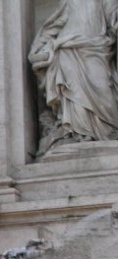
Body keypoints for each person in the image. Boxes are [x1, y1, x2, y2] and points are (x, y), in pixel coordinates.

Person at [29, 0, 118, 155]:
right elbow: (51, 28)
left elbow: (114, 18)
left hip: (97, 49)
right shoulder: (68, 2)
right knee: (73, 93)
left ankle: (106, 131)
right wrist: (37, 49)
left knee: (104, 91)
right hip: (67, 51)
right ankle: (77, 133)